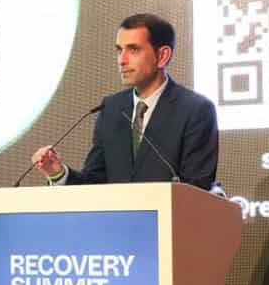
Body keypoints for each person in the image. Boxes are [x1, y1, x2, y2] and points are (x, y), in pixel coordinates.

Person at [31, 13, 219, 190]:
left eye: (133, 49)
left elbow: (196, 189)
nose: (121, 60)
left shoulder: (195, 110)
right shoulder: (111, 109)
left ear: (162, 56)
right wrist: (58, 173)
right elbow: (94, 185)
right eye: (119, 50)